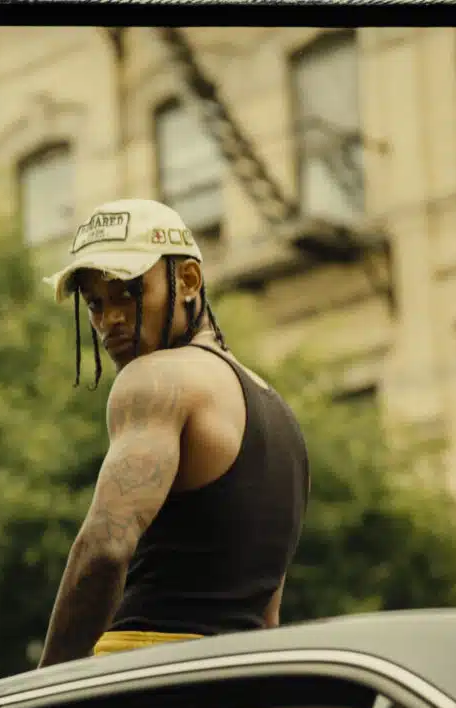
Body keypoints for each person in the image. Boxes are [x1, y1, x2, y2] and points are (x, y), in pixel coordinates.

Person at [37, 198, 310, 670]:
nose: (109, 320)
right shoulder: (278, 414)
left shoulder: (155, 380)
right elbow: (267, 615)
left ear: (187, 281)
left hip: (146, 693)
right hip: (241, 688)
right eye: (95, 304)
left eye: (127, 292)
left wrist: (45, 690)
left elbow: (104, 548)